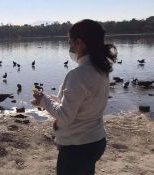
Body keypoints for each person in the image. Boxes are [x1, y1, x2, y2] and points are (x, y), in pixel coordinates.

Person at [31, 19, 117, 175]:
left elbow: (64, 116)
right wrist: (48, 100)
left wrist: (44, 101)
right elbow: (82, 104)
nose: (69, 47)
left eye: (69, 42)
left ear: (79, 43)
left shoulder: (78, 75)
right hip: (96, 141)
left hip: (77, 147)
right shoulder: (101, 69)